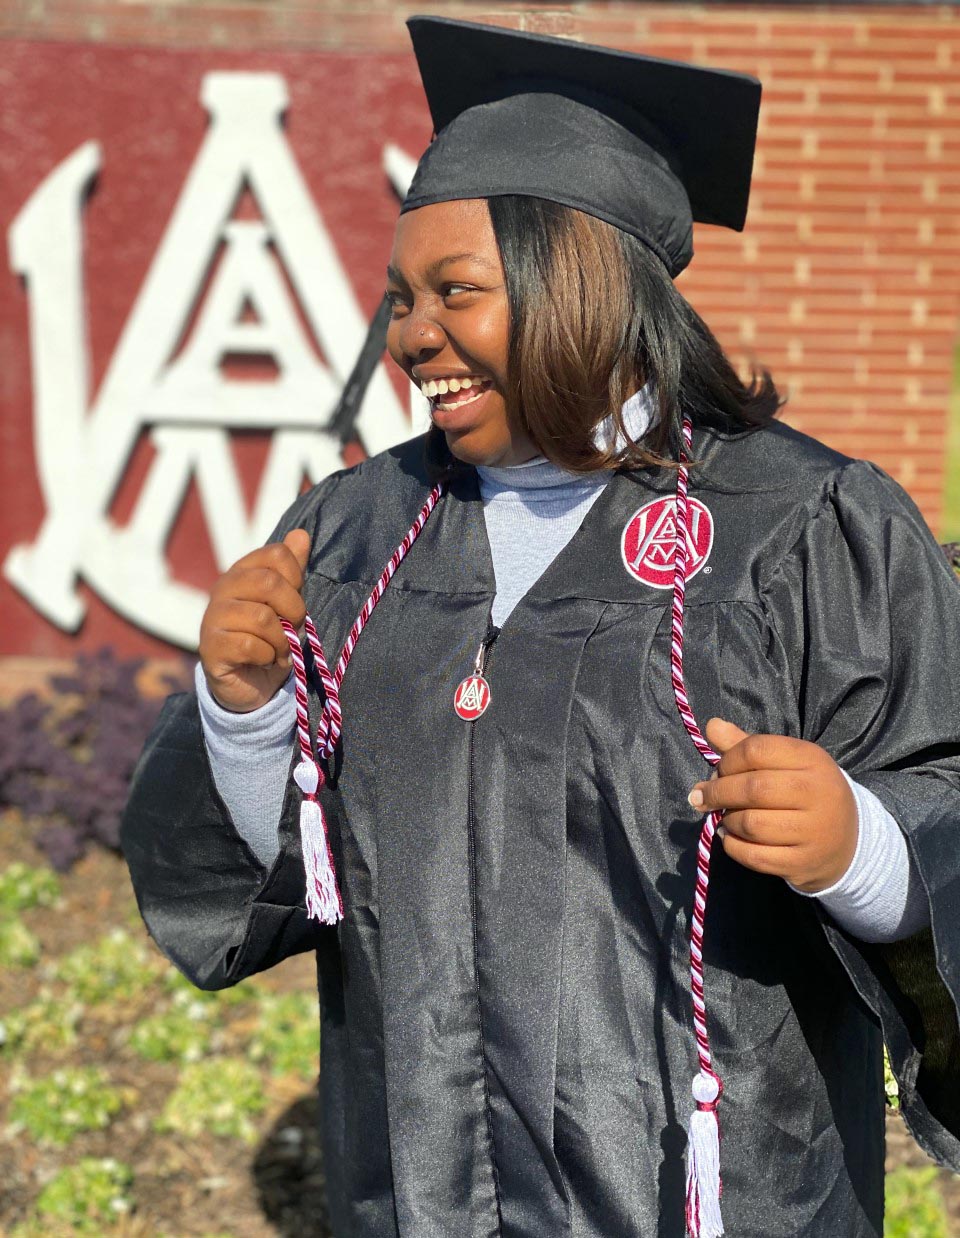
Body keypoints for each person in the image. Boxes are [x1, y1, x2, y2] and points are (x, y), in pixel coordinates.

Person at [121, 16, 960, 1238]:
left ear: (582, 276)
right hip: (421, 1188)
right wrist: (246, 716)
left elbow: (944, 799)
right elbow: (301, 882)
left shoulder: (808, 527)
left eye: (454, 290)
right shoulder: (357, 532)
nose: (410, 334)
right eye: (401, 298)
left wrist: (862, 847)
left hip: (707, 1191)